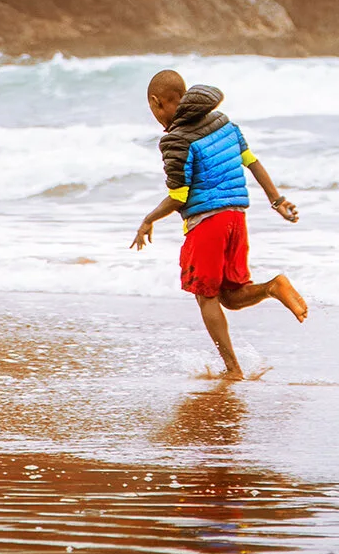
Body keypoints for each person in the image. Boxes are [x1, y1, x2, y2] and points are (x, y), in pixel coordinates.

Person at [130, 71, 307, 379]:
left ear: (158, 102)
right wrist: (277, 201)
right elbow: (251, 161)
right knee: (229, 296)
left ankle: (233, 369)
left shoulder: (176, 140)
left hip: (207, 223)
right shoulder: (222, 121)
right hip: (236, 216)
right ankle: (272, 287)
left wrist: (148, 219)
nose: (157, 119)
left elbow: (178, 196)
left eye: (153, 110)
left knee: (206, 295)